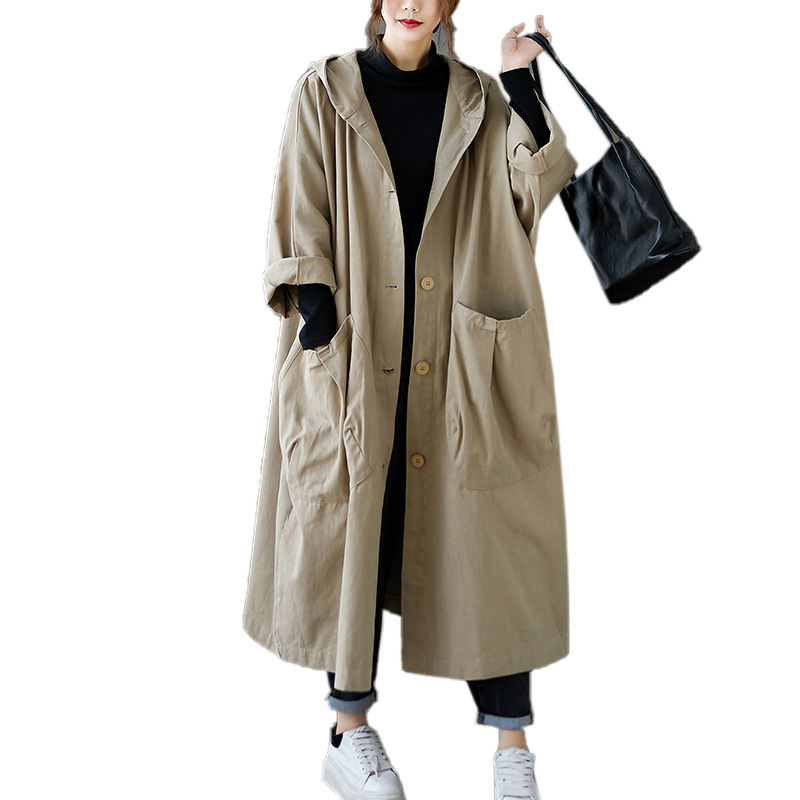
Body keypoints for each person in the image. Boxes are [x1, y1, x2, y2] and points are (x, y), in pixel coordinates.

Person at [244, 4, 578, 799]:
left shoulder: (481, 100)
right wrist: (323, 338)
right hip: (356, 359)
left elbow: (532, 193)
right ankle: (348, 731)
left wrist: (521, 81)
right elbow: (299, 219)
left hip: (462, 362)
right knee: (350, 530)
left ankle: (512, 752)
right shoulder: (324, 92)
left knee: (490, 541)